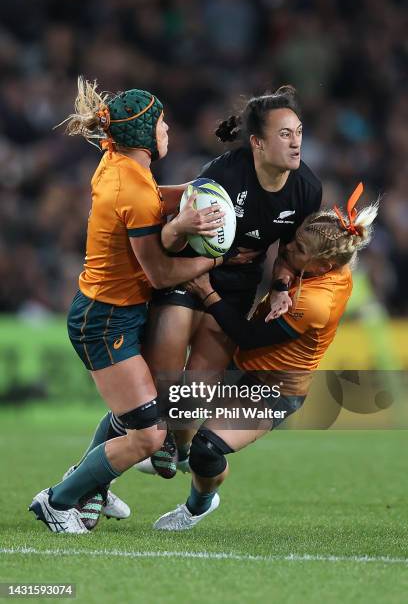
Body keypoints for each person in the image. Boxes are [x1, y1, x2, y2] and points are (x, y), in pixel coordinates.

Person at [28, 77, 245, 534]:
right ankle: (59, 499)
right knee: (148, 434)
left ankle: (91, 485)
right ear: (145, 134)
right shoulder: (132, 188)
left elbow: (152, 196)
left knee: (138, 411)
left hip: (112, 310)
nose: (167, 131)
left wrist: (200, 187)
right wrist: (216, 257)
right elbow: (161, 275)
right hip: (105, 320)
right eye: (162, 124)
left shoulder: (117, 162)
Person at [152, 186, 379, 530]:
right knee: (178, 399)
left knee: (207, 451)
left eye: (299, 248)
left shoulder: (317, 304)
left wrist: (207, 293)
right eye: (295, 238)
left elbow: (250, 337)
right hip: (242, 365)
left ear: (323, 265)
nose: (288, 247)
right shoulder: (323, 263)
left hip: (272, 388)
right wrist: (282, 283)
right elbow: (285, 260)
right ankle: (169, 449)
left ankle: (197, 506)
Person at [138, 85, 323, 476]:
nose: (296, 143)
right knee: (167, 368)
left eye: (299, 132)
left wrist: (279, 287)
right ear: (257, 142)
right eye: (285, 134)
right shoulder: (223, 174)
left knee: (200, 387)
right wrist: (188, 237)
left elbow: (290, 254)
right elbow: (170, 237)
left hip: (237, 284)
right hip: (189, 271)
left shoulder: (307, 189)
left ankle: (177, 443)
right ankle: (152, 439)